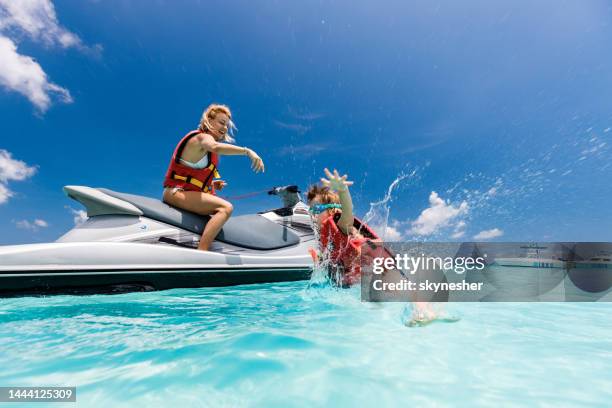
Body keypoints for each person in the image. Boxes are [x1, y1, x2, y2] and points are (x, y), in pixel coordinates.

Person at [163, 104, 264, 251]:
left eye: (227, 126)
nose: (225, 128)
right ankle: (202, 253)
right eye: (221, 123)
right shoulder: (202, 138)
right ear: (209, 121)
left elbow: (192, 176)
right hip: (175, 192)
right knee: (226, 208)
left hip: (183, 192)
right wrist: (247, 151)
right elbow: (215, 147)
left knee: (221, 208)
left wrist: (211, 185)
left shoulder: (206, 149)